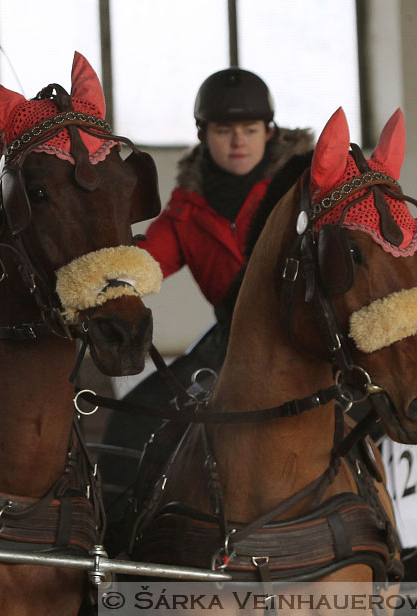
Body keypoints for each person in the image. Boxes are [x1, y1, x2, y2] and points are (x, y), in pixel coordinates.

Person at [98, 67, 313, 534]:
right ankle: (119, 547)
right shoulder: (185, 208)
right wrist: (98, 278)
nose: (238, 141)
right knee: (133, 423)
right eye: (224, 130)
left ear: (269, 132)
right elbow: (146, 262)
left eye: (250, 130)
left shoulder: (304, 187)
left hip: (305, 339)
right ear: (203, 135)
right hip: (229, 341)